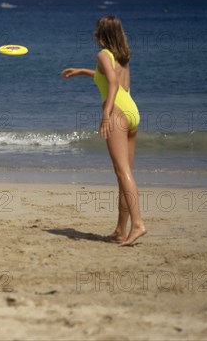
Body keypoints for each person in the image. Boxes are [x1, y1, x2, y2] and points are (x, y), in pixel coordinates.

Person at [61, 15, 146, 246]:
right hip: (133, 112)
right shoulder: (122, 57)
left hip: (117, 113)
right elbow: (112, 78)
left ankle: (137, 224)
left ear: (102, 35)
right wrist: (81, 72)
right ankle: (121, 230)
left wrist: (106, 114)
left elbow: (112, 83)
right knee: (124, 174)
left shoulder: (102, 54)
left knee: (122, 173)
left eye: (97, 31)